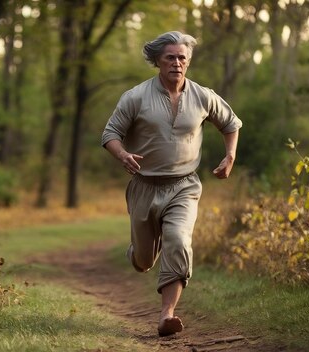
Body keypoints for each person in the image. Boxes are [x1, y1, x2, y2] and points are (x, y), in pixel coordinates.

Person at [101, 31, 242, 337]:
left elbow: (231, 124)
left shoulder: (203, 96)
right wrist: (123, 153)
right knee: (143, 261)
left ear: (188, 62)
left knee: (178, 239)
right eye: (170, 57)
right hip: (144, 186)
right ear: (157, 61)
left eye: (182, 58)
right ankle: (138, 252)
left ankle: (167, 314)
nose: (177, 63)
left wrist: (229, 156)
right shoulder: (135, 97)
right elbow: (110, 134)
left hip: (184, 185)